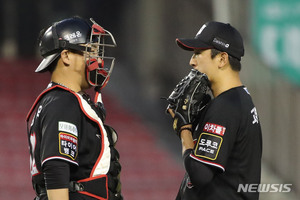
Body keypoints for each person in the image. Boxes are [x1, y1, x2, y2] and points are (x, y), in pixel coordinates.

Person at [26, 16, 122, 200]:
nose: (98, 59)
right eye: (90, 50)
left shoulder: (67, 99)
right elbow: (56, 170)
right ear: (66, 55)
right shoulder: (62, 101)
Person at [167, 21, 262, 200]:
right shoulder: (238, 99)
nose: (191, 61)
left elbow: (200, 174)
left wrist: (184, 130)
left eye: (197, 54)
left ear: (222, 59)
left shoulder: (226, 106)